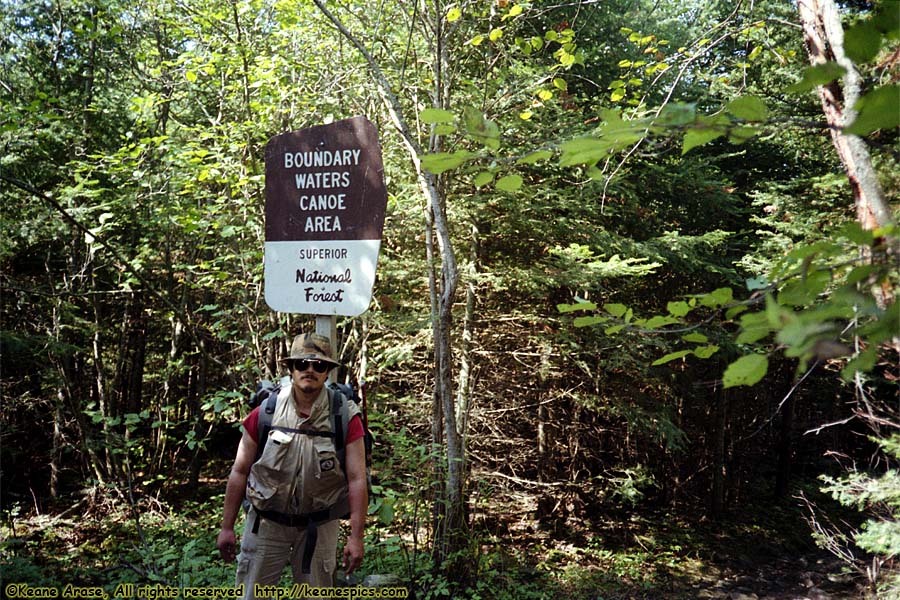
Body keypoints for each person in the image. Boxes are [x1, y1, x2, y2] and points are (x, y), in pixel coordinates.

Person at [216, 333, 367, 596]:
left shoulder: (344, 417)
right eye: (302, 364)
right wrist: (227, 527)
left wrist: (356, 537)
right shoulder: (266, 412)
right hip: (265, 524)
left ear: (328, 371)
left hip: (319, 526)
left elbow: (357, 479)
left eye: (319, 365)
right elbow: (240, 471)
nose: (310, 370)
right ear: (291, 368)